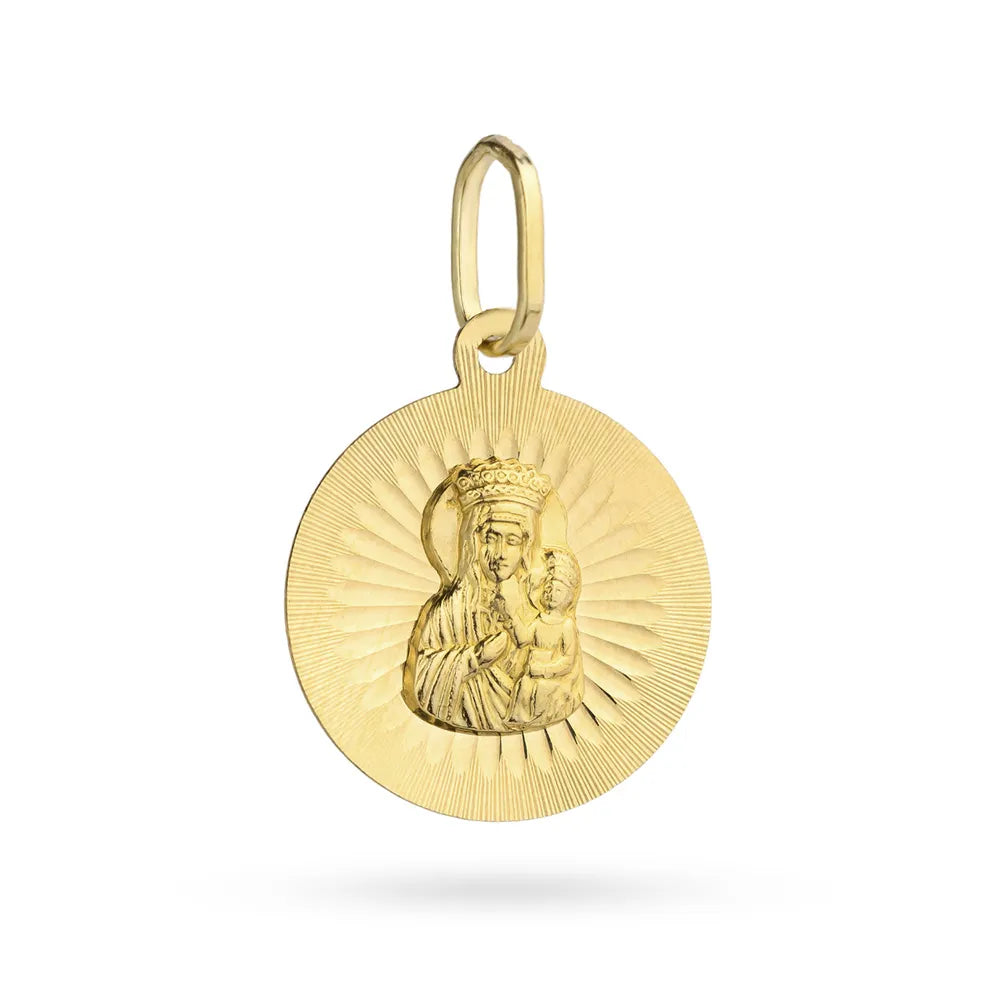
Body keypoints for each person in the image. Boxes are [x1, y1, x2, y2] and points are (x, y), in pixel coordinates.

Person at [505, 548, 584, 729]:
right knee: (524, 686)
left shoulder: (566, 625)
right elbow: (523, 639)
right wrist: (512, 617)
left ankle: (537, 720)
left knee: (541, 690)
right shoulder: (539, 621)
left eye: (558, 590)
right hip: (531, 673)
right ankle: (520, 721)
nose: (551, 593)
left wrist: (544, 670)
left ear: (568, 596)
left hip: (551, 677)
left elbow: (568, 660)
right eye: (548, 589)